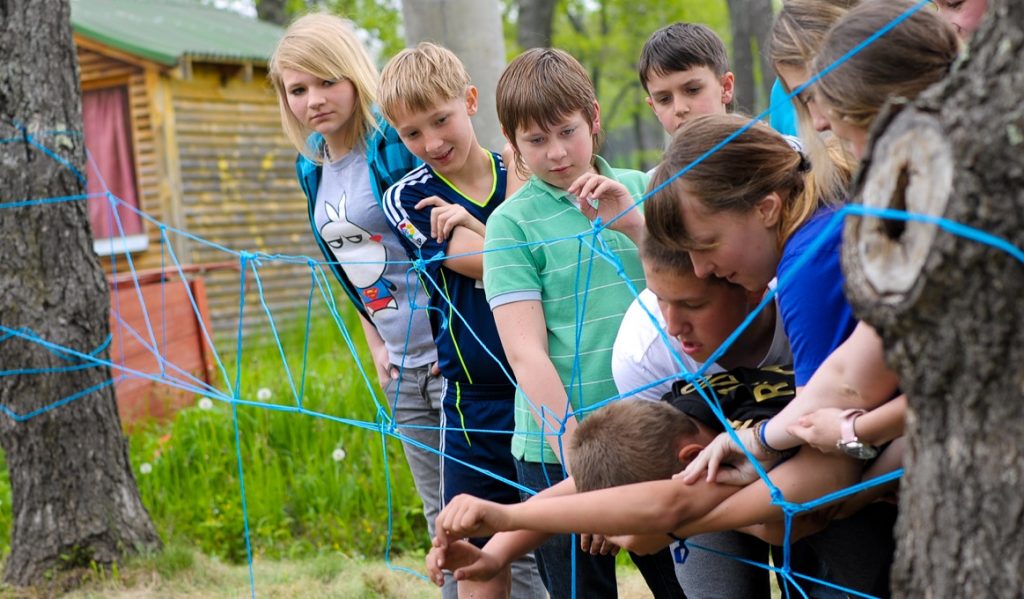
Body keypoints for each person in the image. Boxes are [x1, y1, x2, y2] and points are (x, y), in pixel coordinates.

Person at [685, 0, 962, 486]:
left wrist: (852, 431)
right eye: (801, 100)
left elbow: (938, 379)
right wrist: (767, 439)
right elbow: (868, 366)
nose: (817, 123)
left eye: (818, 94)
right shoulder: (894, 204)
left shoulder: (816, 255)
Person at [483, 48, 682, 598]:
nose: (555, 153)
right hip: (558, 450)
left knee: (684, 586)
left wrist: (634, 225)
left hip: (656, 439)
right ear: (511, 140)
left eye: (567, 131)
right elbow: (527, 354)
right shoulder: (511, 225)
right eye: (535, 141)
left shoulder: (645, 190)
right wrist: (585, 473)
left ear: (594, 118)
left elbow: (685, 297)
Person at [267, 15, 451, 596]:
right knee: (439, 522)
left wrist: (459, 337)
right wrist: (375, 338)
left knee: (487, 516)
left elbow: (445, 243)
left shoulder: (394, 146)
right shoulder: (311, 167)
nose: (315, 100)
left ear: (352, 75)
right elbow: (347, 264)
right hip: (402, 368)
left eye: (326, 81)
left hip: (453, 360)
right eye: (298, 89)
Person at [376, 42, 544, 599]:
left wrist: (474, 222)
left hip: (545, 386)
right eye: (412, 134)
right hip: (474, 402)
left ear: (470, 100)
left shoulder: (521, 168)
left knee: (562, 546)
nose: (432, 143)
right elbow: (478, 266)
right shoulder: (408, 195)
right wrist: (498, 241)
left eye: (441, 120)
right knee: (473, 558)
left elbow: (537, 259)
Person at [637, 23, 734, 136]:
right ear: (654, 108)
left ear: (726, 87)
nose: (679, 108)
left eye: (693, 90)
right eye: (664, 99)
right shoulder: (671, 154)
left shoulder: (757, 150)